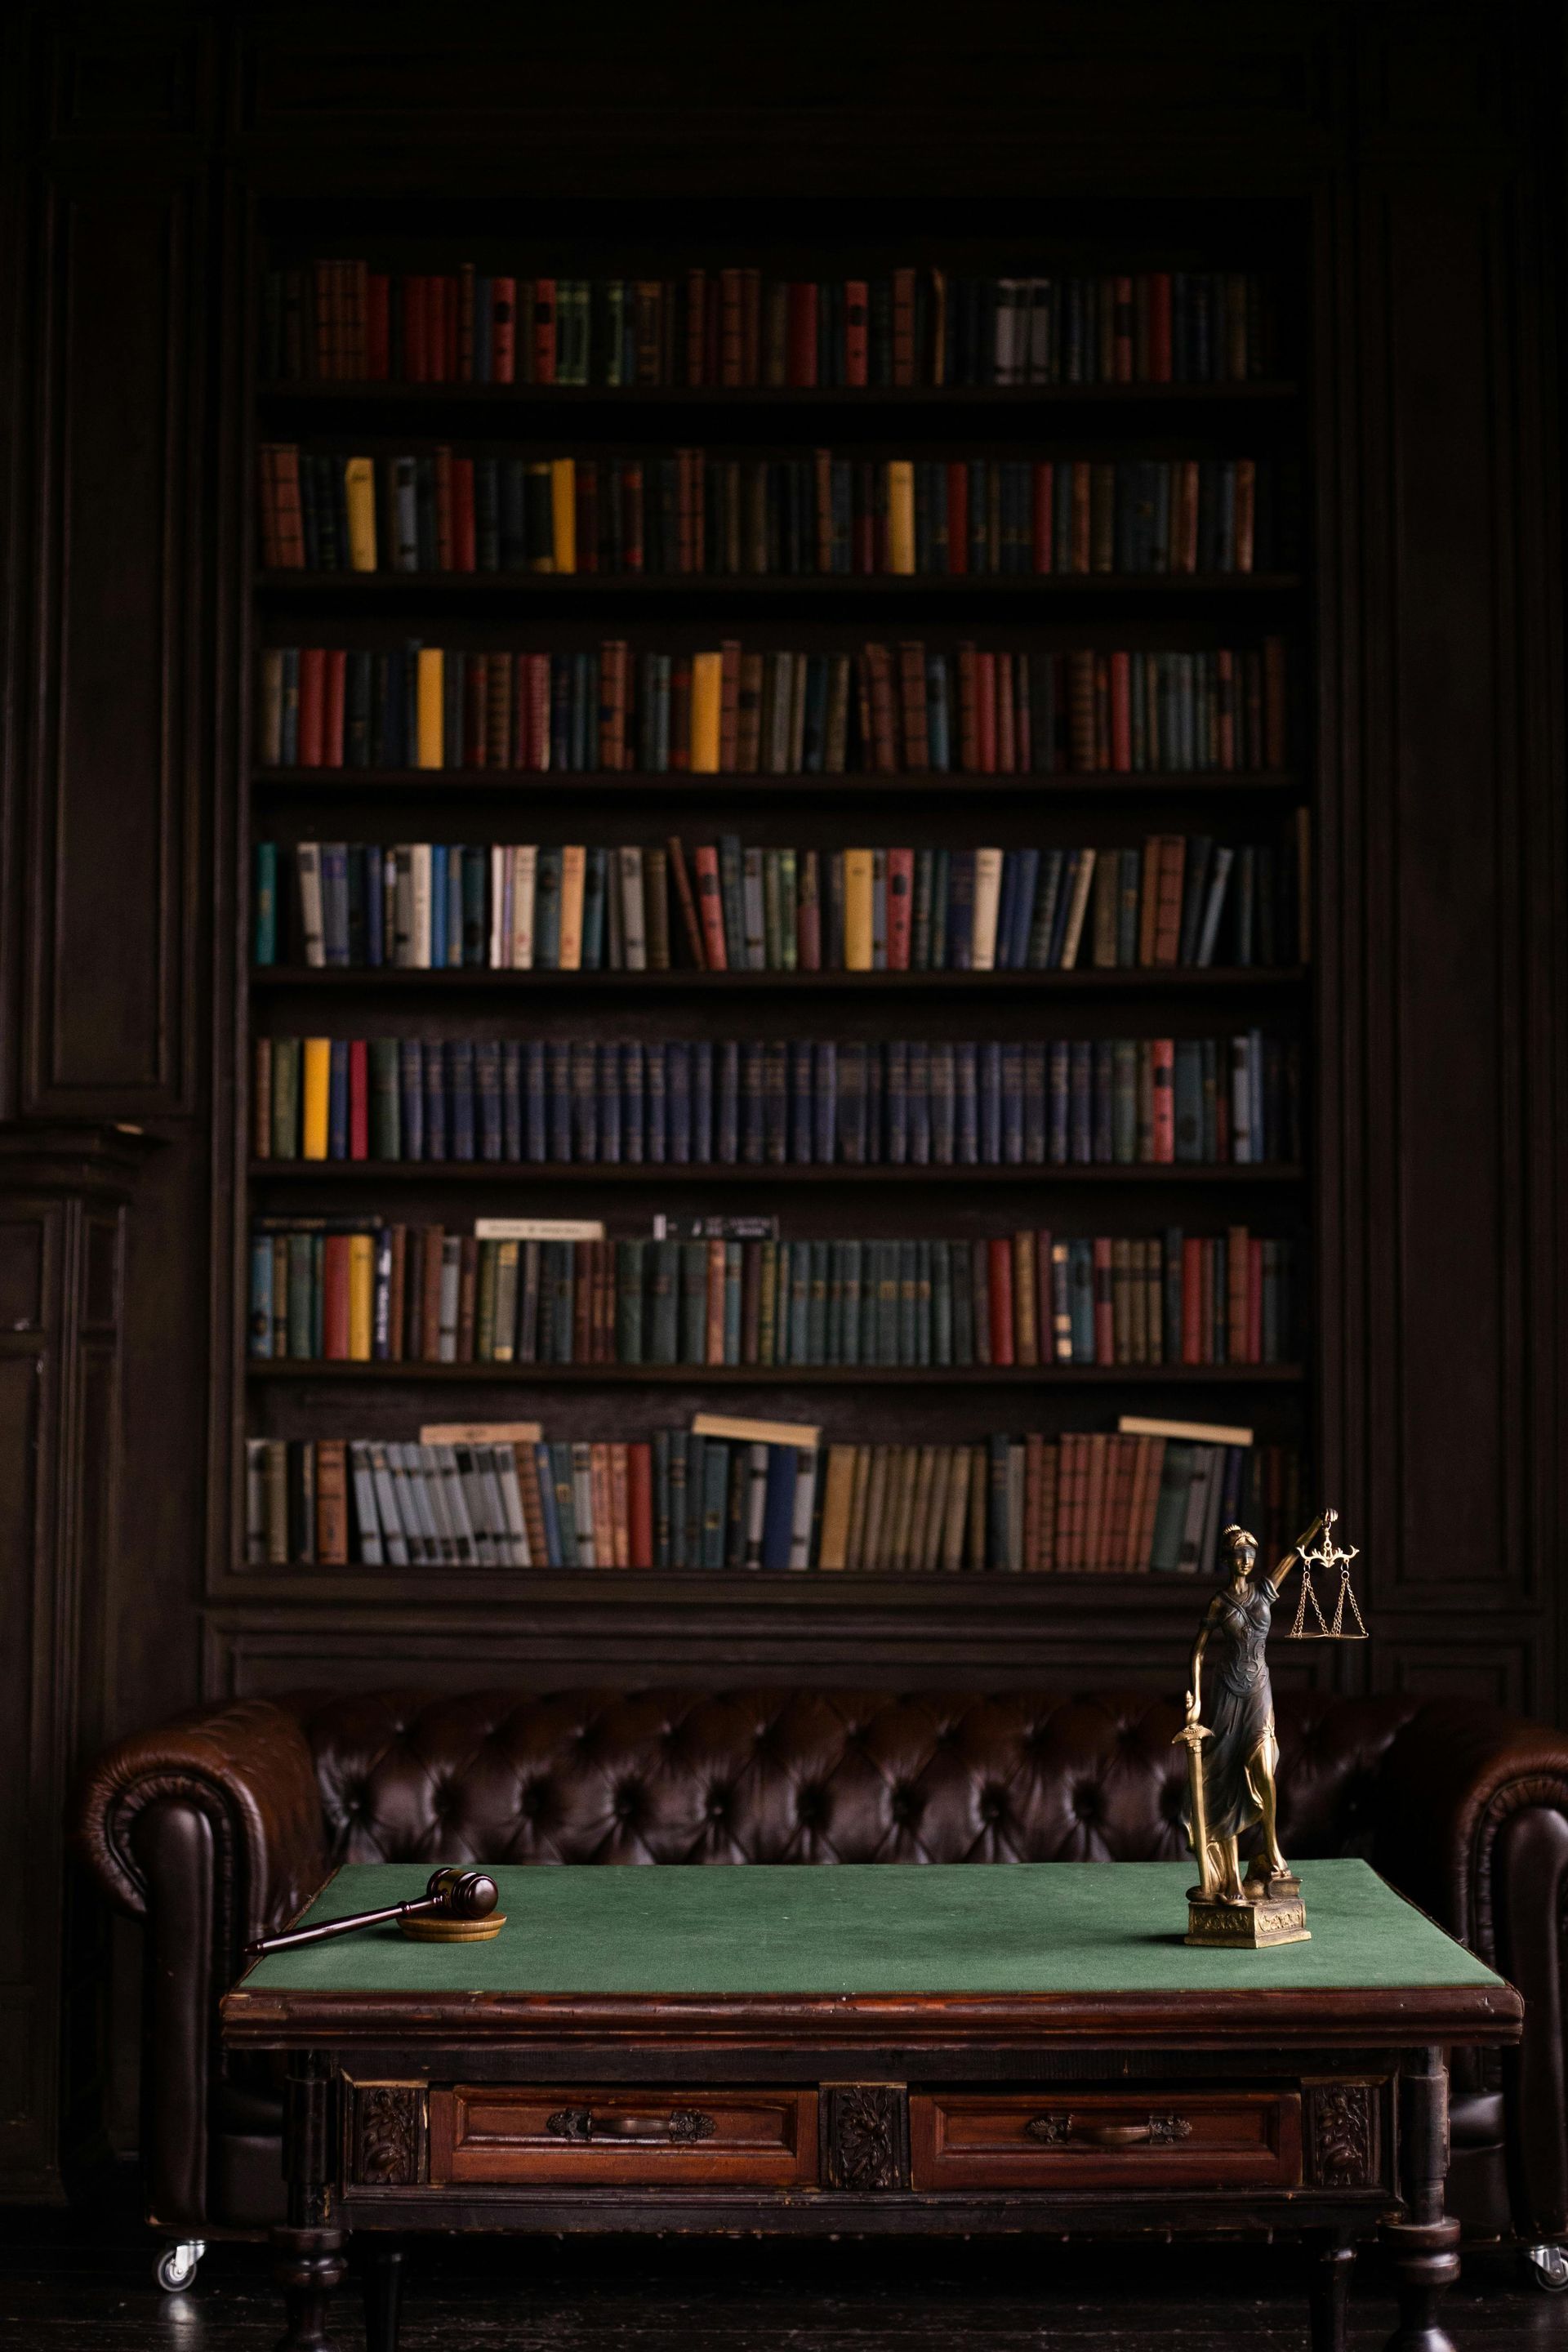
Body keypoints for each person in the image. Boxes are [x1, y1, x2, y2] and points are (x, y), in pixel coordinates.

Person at [1178, 1516, 1324, 1905]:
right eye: (1239, 1553)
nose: (1246, 1559)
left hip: (1259, 1687)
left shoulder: (1264, 1590)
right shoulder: (1219, 1601)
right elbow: (1198, 1651)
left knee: (1263, 1769)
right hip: (1227, 1691)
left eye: (1251, 1553)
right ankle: (1229, 1877)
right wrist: (1196, 1697)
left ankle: (1272, 1848)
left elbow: (1294, 1553)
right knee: (1225, 1776)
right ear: (1227, 1559)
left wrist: (1316, 1526)